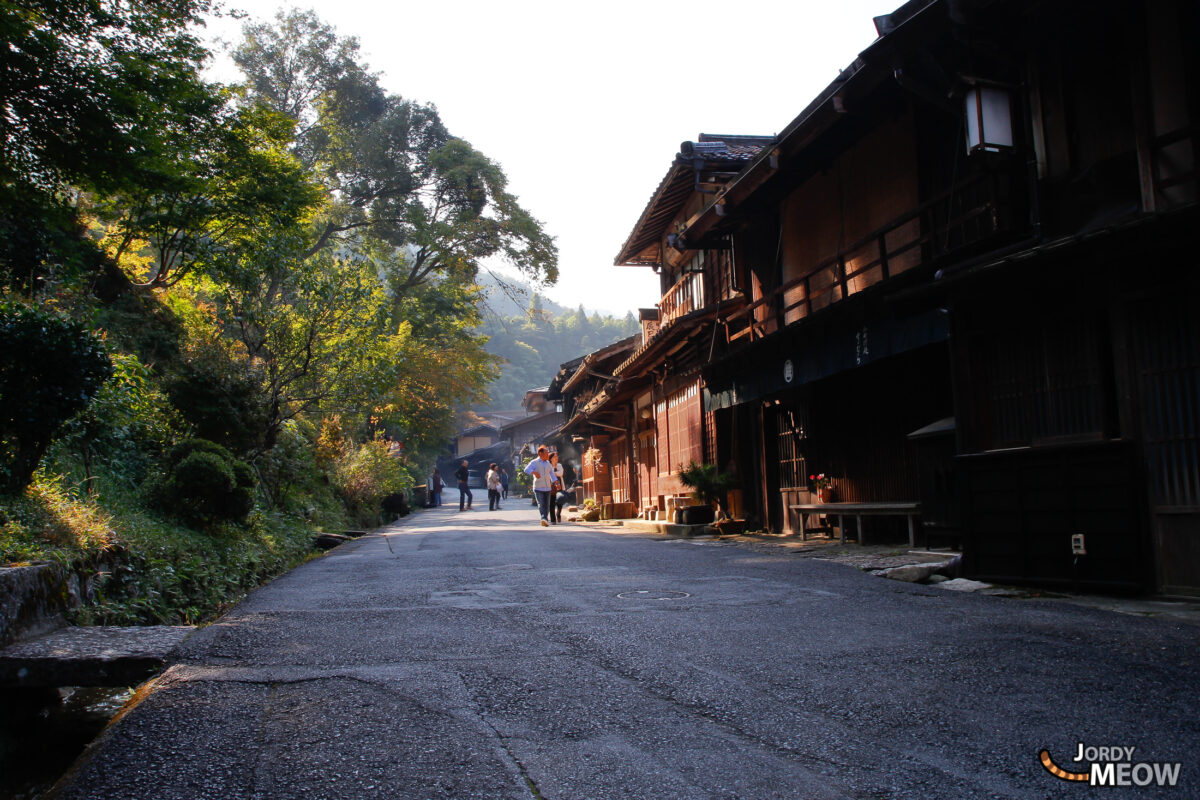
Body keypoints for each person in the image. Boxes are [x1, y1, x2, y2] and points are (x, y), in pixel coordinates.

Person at [523, 445, 556, 526]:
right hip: (538, 487)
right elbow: (526, 469)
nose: (548, 454)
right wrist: (534, 472)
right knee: (541, 504)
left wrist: (556, 482)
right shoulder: (534, 462)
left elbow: (552, 474)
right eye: (546, 452)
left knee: (547, 506)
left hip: (548, 487)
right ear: (540, 453)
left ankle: (544, 518)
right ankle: (544, 518)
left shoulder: (548, 463)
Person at [547, 452, 565, 524]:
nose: (556, 458)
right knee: (551, 503)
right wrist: (555, 473)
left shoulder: (559, 465)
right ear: (550, 459)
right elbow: (547, 474)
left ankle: (558, 514)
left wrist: (552, 473)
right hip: (551, 486)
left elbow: (561, 473)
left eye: (557, 456)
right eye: (554, 456)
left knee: (560, 501)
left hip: (559, 485)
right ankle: (553, 519)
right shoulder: (548, 465)